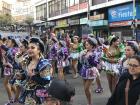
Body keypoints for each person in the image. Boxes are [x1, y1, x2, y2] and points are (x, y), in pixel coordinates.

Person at [18, 37, 52, 104]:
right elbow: (27, 75)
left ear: (39, 50)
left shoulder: (44, 64)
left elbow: (46, 81)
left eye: (32, 48)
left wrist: (33, 76)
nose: (29, 50)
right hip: (27, 93)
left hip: (39, 95)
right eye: (28, 48)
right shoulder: (27, 61)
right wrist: (21, 76)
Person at [80, 37, 100, 105]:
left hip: (91, 71)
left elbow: (96, 64)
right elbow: (81, 62)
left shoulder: (95, 53)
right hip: (84, 70)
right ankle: (89, 102)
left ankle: (90, 103)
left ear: (92, 45)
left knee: (86, 88)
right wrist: (82, 56)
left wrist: (90, 58)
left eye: (87, 45)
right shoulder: (85, 52)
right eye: (85, 45)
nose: (86, 46)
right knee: (87, 90)